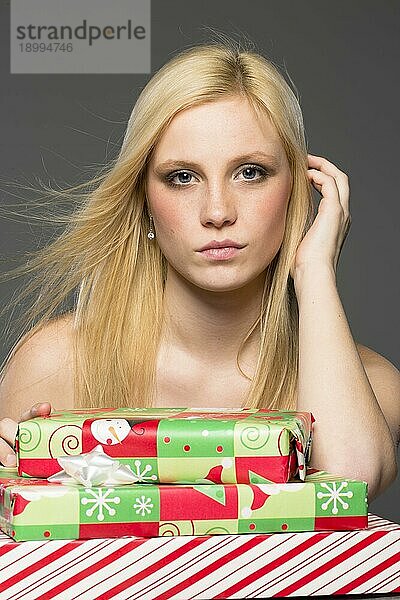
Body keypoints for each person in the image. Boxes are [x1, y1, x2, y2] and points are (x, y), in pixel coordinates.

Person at [0, 39, 398, 502]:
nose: (217, 211)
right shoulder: (56, 361)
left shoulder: (370, 382)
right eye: (182, 177)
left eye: (250, 172)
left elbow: (350, 482)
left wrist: (314, 272)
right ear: (144, 200)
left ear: (297, 188)